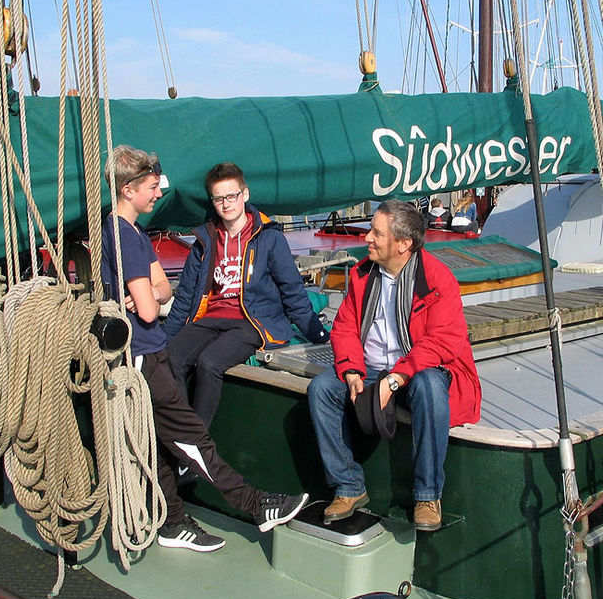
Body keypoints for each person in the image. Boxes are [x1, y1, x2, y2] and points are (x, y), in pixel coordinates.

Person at [101, 145, 307, 552]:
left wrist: (150, 295)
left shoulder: (127, 231)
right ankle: (256, 504)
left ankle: (172, 521)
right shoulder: (127, 236)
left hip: (143, 352)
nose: (159, 192)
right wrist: (149, 297)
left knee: (158, 441)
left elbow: (163, 288)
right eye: (150, 186)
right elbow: (149, 306)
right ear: (128, 190)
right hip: (143, 354)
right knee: (195, 438)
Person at [307, 199, 481, 531]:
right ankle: (348, 487)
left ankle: (428, 494)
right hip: (371, 367)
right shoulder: (362, 275)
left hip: (415, 370)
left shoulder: (437, 279)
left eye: (376, 233)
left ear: (403, 244)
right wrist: (353, 371)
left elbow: (441, 342)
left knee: (430, 386)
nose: (367, 239)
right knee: (322, 390)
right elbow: (344, 327)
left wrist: (396, 379)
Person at [163, 162, 329, 428]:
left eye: (232, 196)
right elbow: (184, 299)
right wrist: (162, 341)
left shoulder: (269, 239)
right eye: (219, 198)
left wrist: (320, 336)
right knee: (171, 357)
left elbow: (293, 292)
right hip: (212, 318)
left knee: (209, 362)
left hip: (252, 321)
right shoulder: (205, 241)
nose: (227, 204)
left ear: (245, 194)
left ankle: (197, 444)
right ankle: (184, 436)